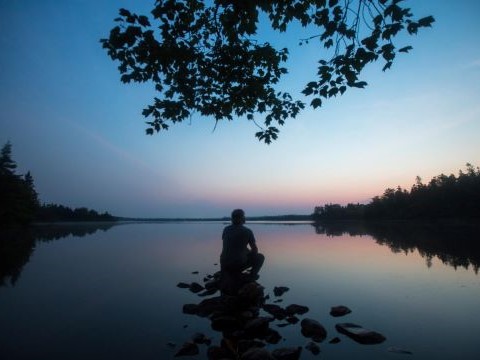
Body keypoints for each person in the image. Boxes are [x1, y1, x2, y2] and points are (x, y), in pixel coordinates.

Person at [220, 209, 264, 279]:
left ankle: (229, 274)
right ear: (241, 218)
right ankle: (251, 276)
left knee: (243, 253)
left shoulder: (226, 229)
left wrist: (246, 252)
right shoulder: (247, 231)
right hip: (236, 265)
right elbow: (255, 250)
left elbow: (234, 246)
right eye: (244, 216)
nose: (245, 218)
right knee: (260, 257)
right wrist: (249, 254)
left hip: (224, 265)